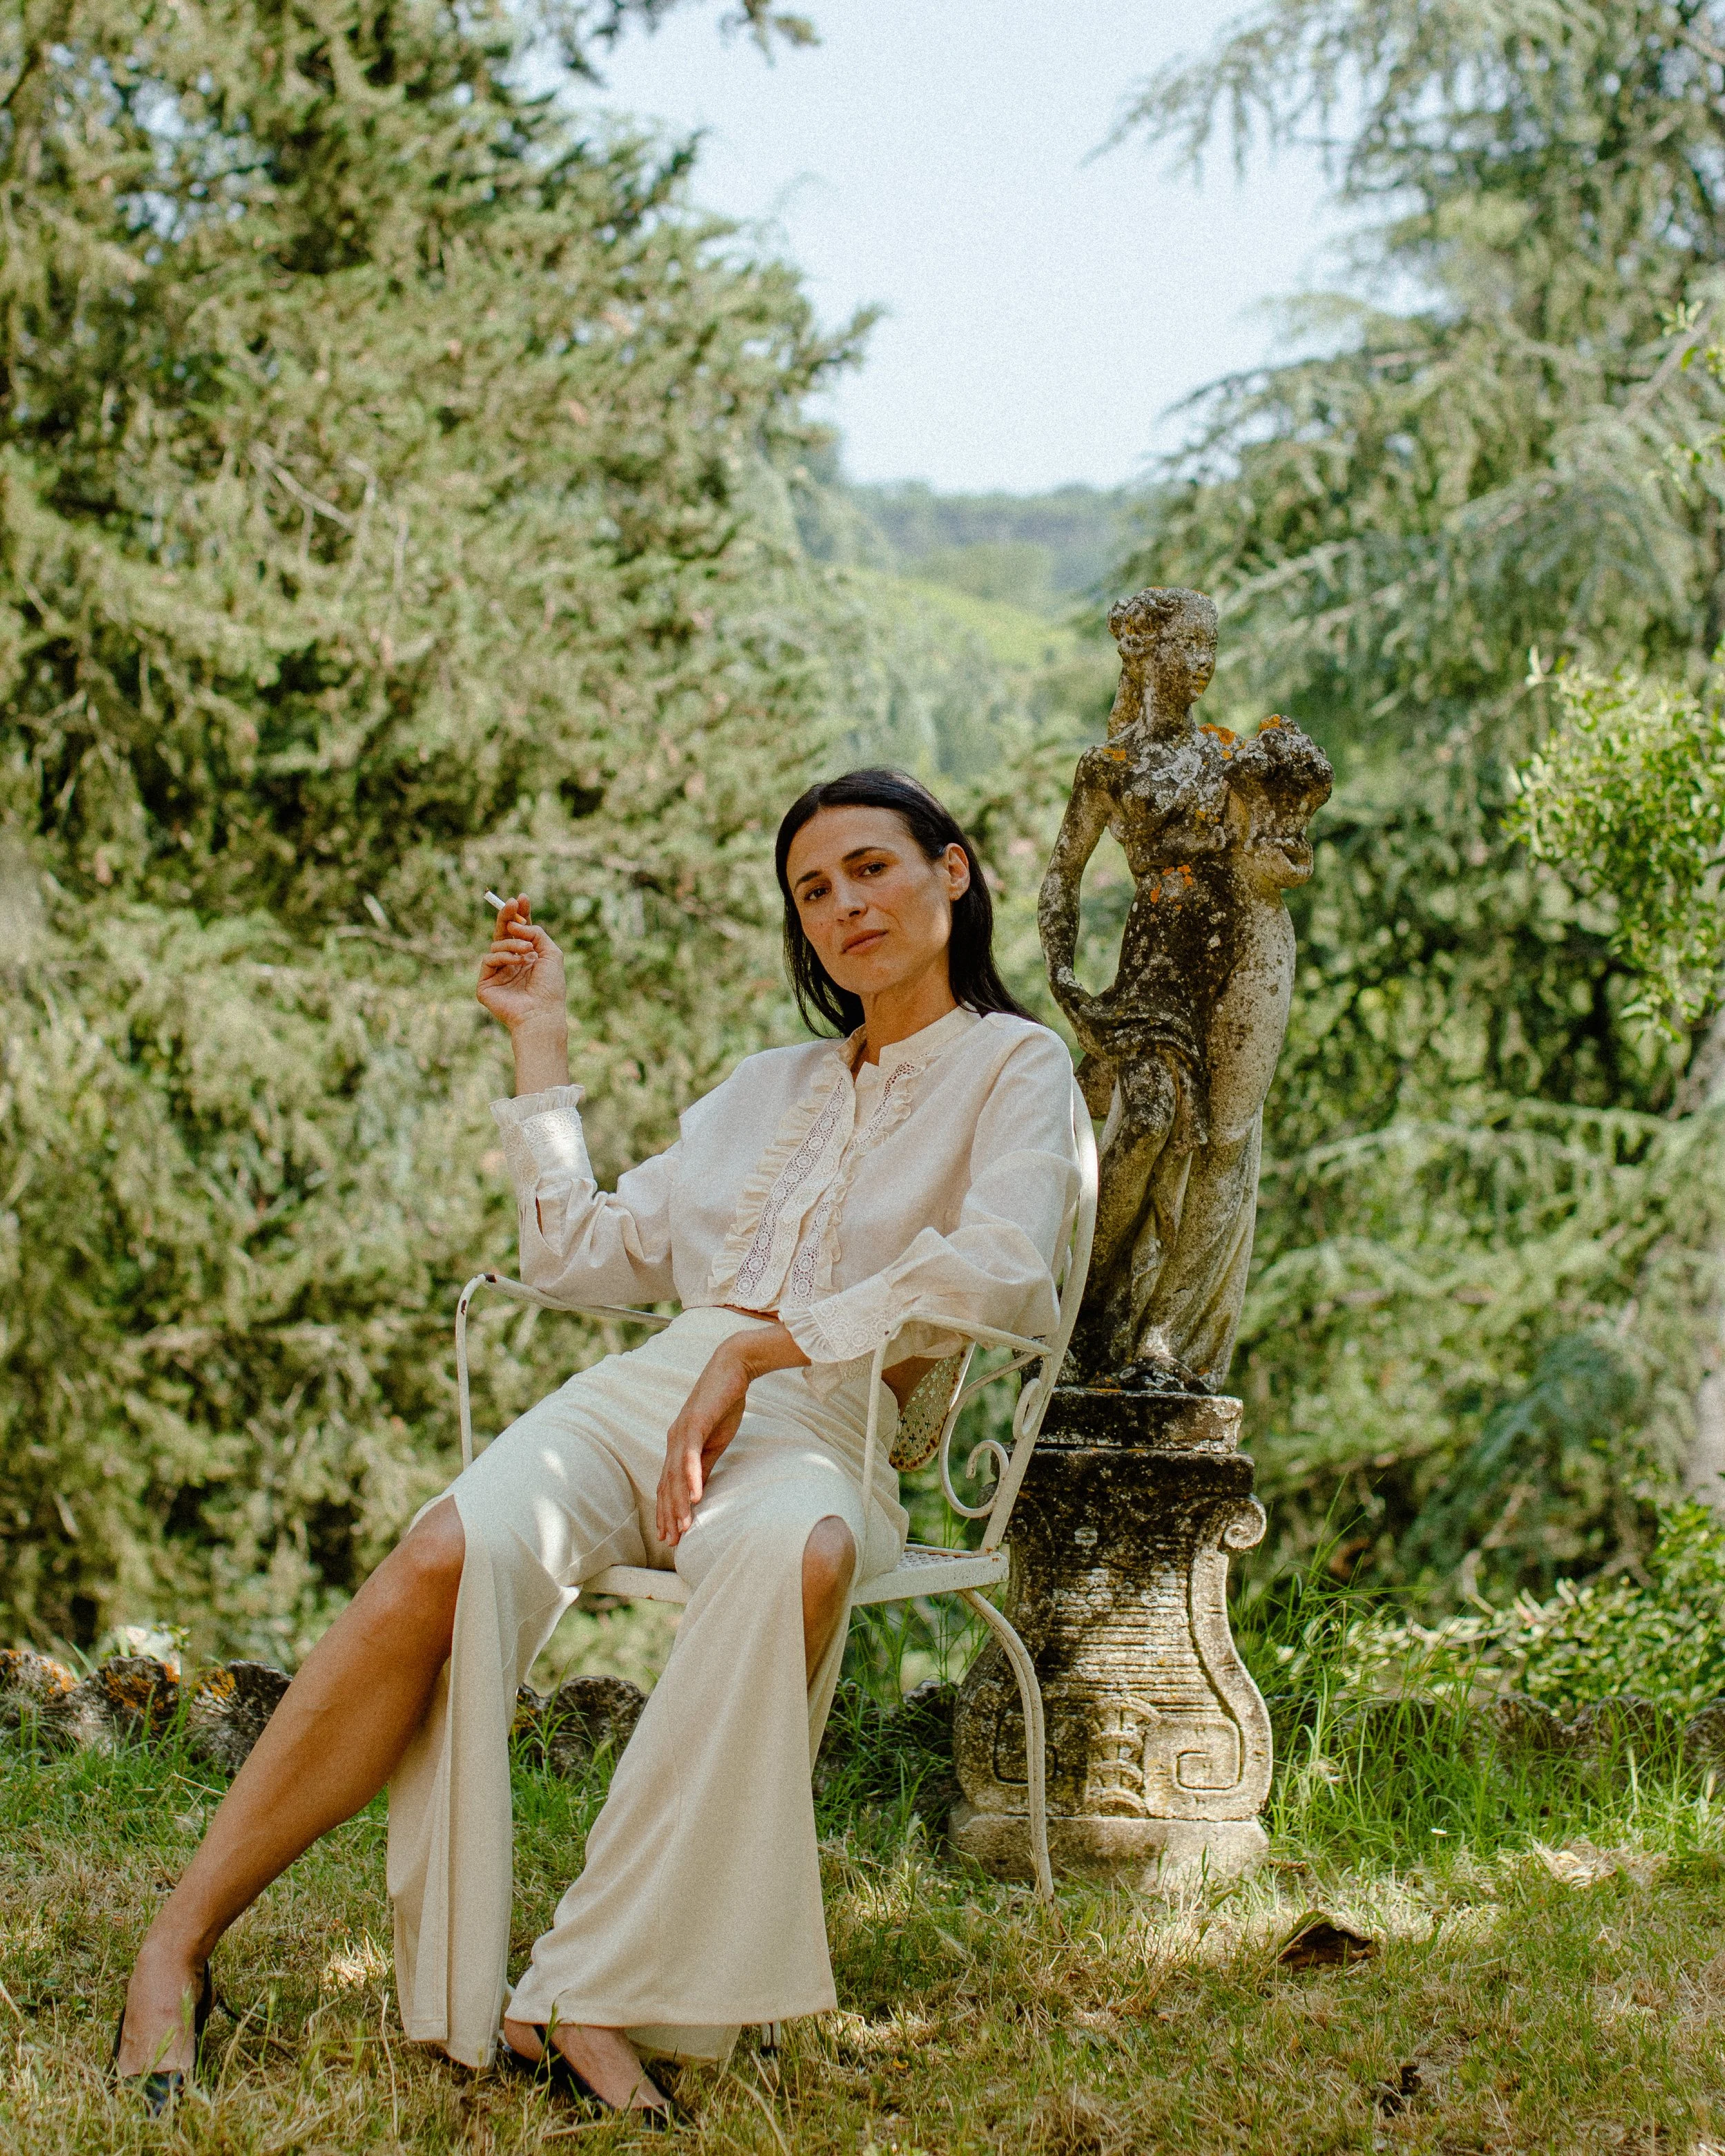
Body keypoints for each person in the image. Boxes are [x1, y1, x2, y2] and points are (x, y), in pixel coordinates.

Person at [114, 768, 1081, 2119]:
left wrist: (757, 1349)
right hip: (654, 1392)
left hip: (826, 1418)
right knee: (448, 1553)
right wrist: (541, 1036)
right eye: (812, 890)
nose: (844, 906)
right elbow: (574, 1252)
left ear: (951, 871)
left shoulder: (1016, 1066)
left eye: (871, 868)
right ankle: (174, 1948)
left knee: (800, 1552)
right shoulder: (764, 1088)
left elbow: (999, 1270)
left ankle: (581, 1987)